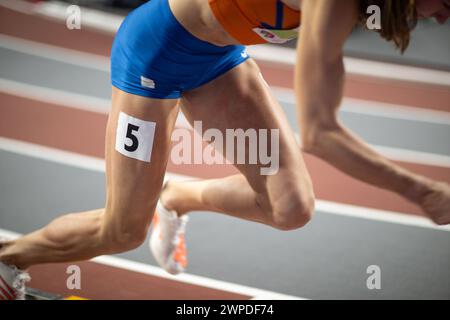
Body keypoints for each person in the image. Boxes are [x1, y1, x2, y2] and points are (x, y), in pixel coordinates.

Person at [1, 0, 449, 299]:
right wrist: (424, 192)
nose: (445, 18)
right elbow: (319, 131)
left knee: (290, 206)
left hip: (218, 59)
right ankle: (8, 258)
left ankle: (176, 198)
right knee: (122, 232)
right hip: (153, 56)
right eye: (446, 3)